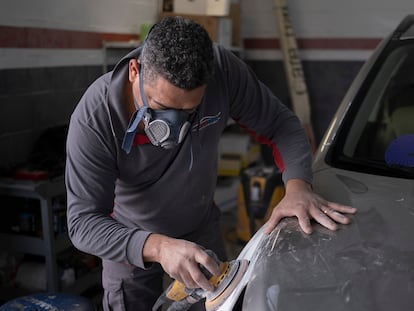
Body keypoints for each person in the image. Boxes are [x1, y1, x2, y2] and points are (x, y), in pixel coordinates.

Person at [65, 16, 356, 310]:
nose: (174, 127)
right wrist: (158, 246)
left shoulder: (222, 71)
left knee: (222, 303)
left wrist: (298, 188)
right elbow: (82, 223)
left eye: (189, 111)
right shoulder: (95, 118)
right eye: (162, 108)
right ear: (134, 71)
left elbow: (281, 125)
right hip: (128, 236)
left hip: (199, 225)